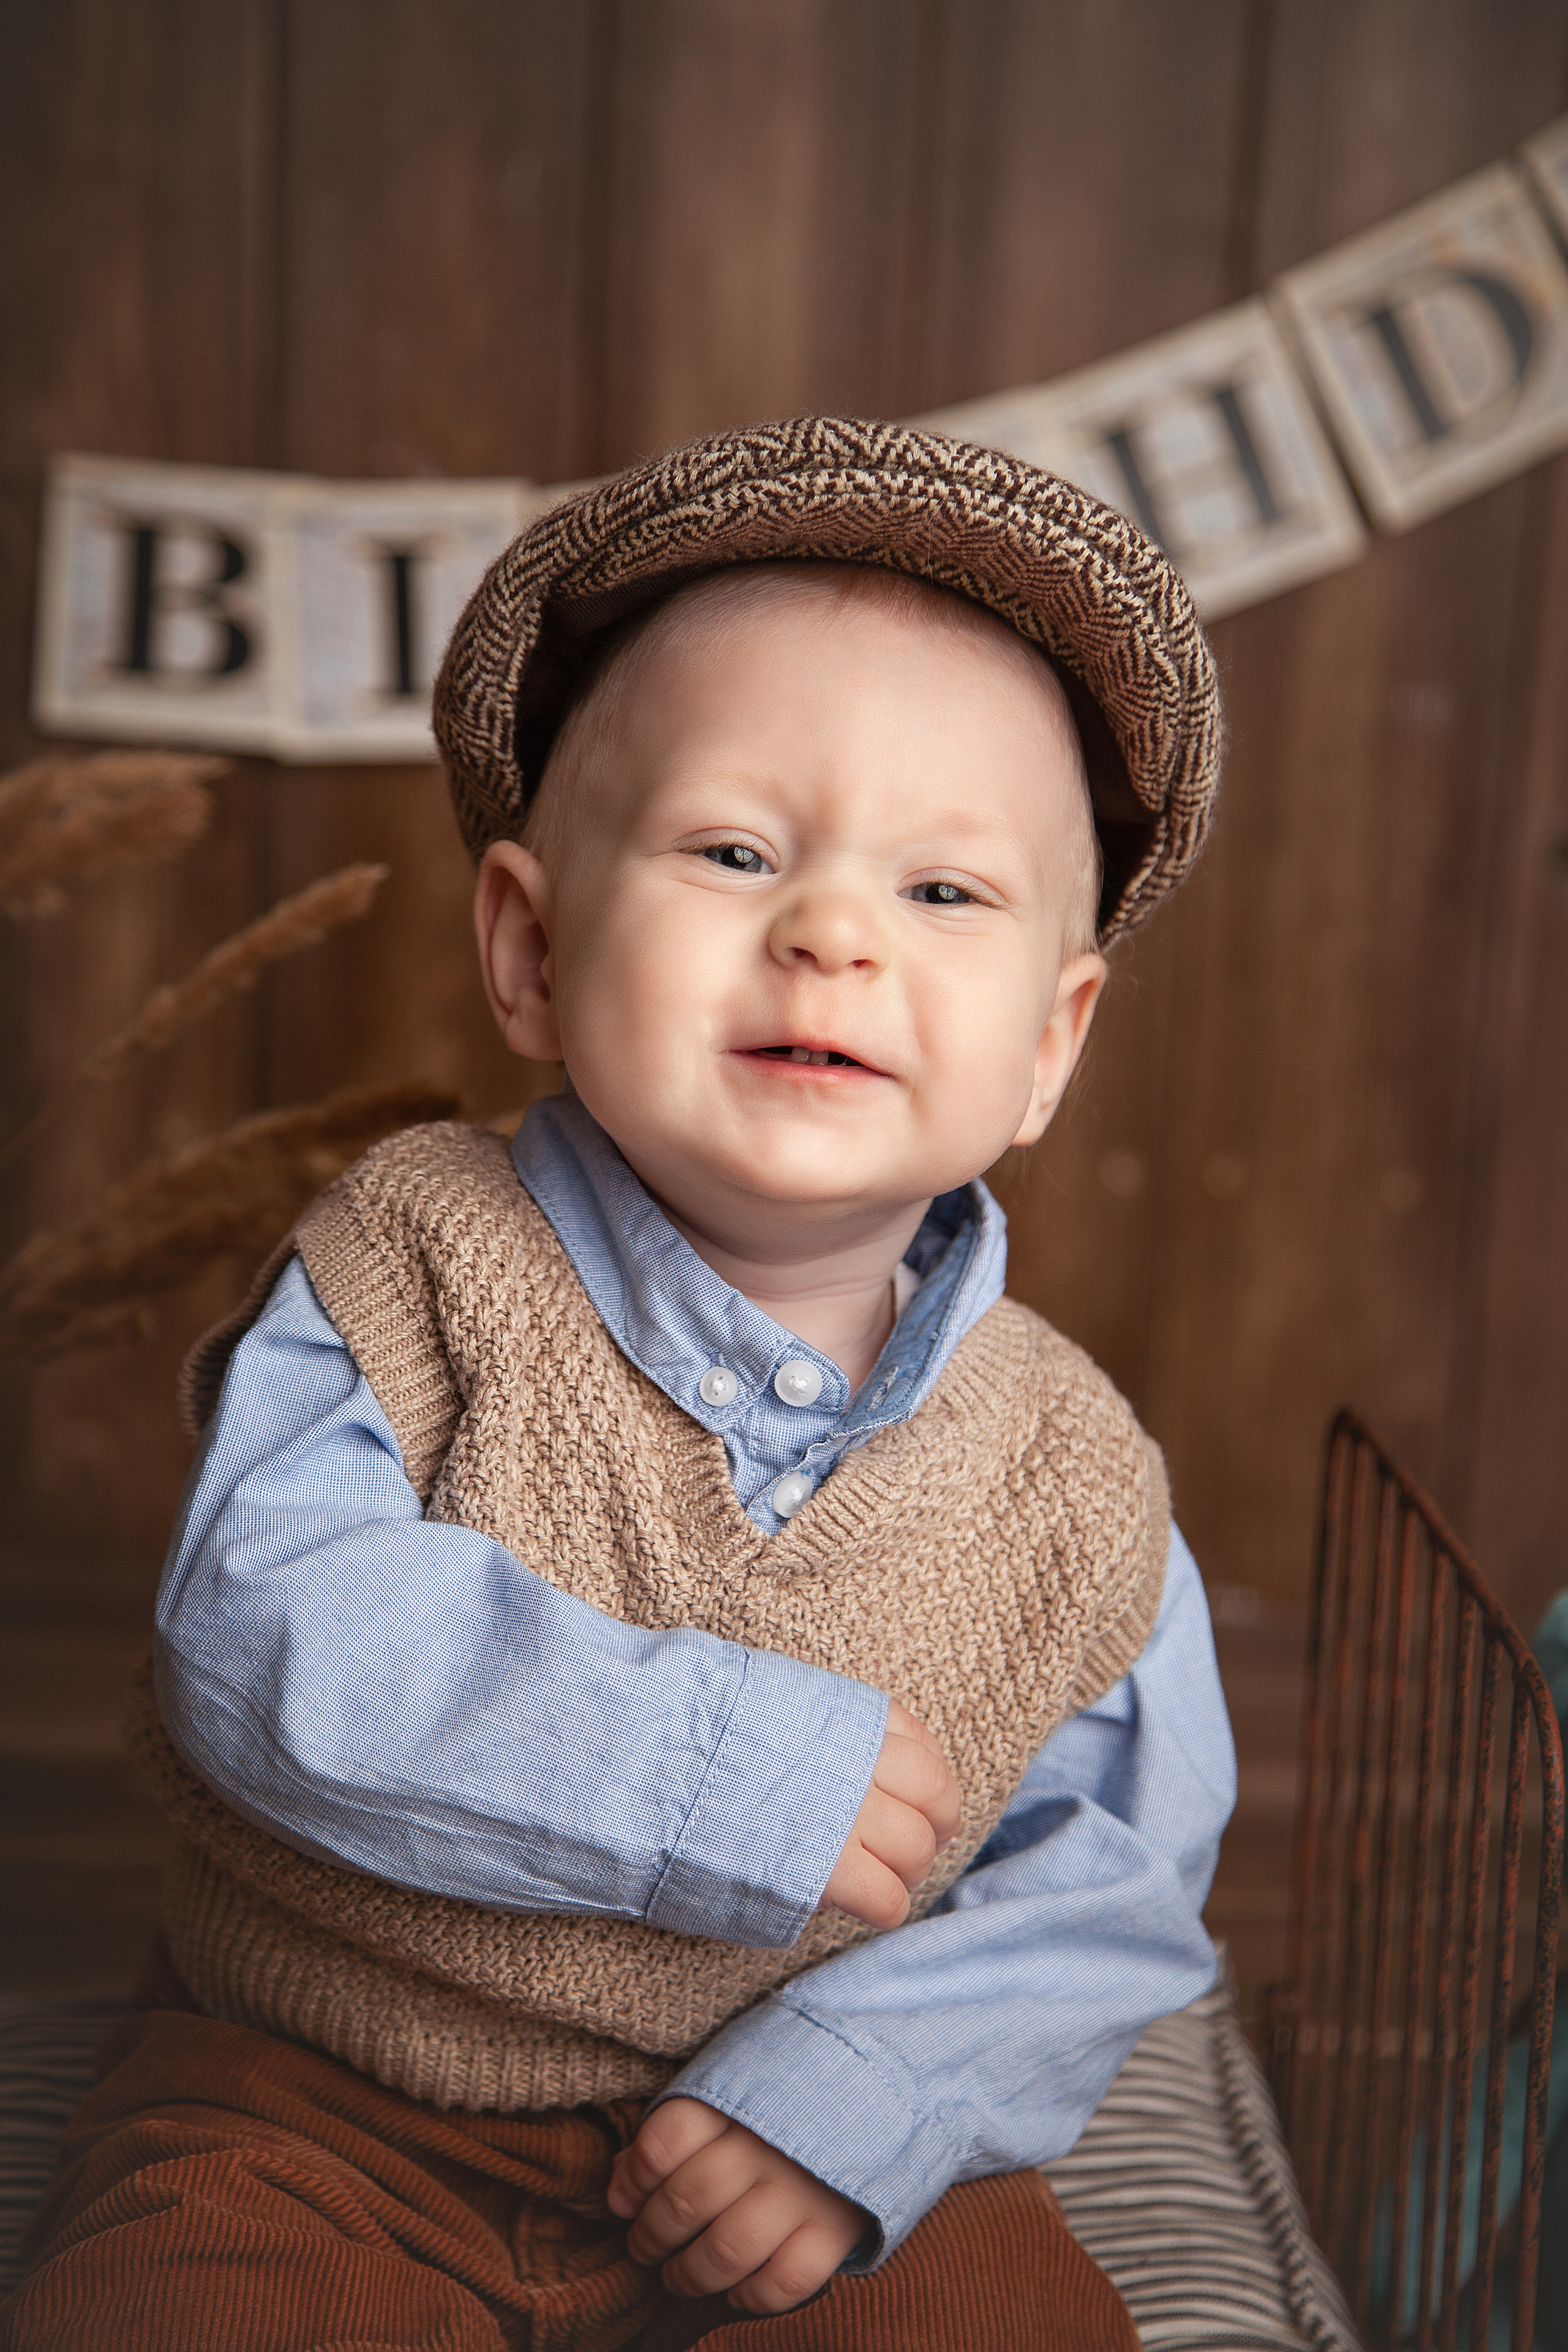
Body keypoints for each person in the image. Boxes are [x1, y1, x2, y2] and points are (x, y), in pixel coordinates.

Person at [2, 417, 1236, 2351]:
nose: (832, 930)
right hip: (328, 2101)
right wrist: (721, 1777)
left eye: (945, 895)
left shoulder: (1070, 1474)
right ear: (531, 946)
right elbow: (259, 1627)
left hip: (806, 2139)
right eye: (736, 851)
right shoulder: (410, 1261)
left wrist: (861, 2103)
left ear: (1053, 1043)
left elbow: (1119, 1876)